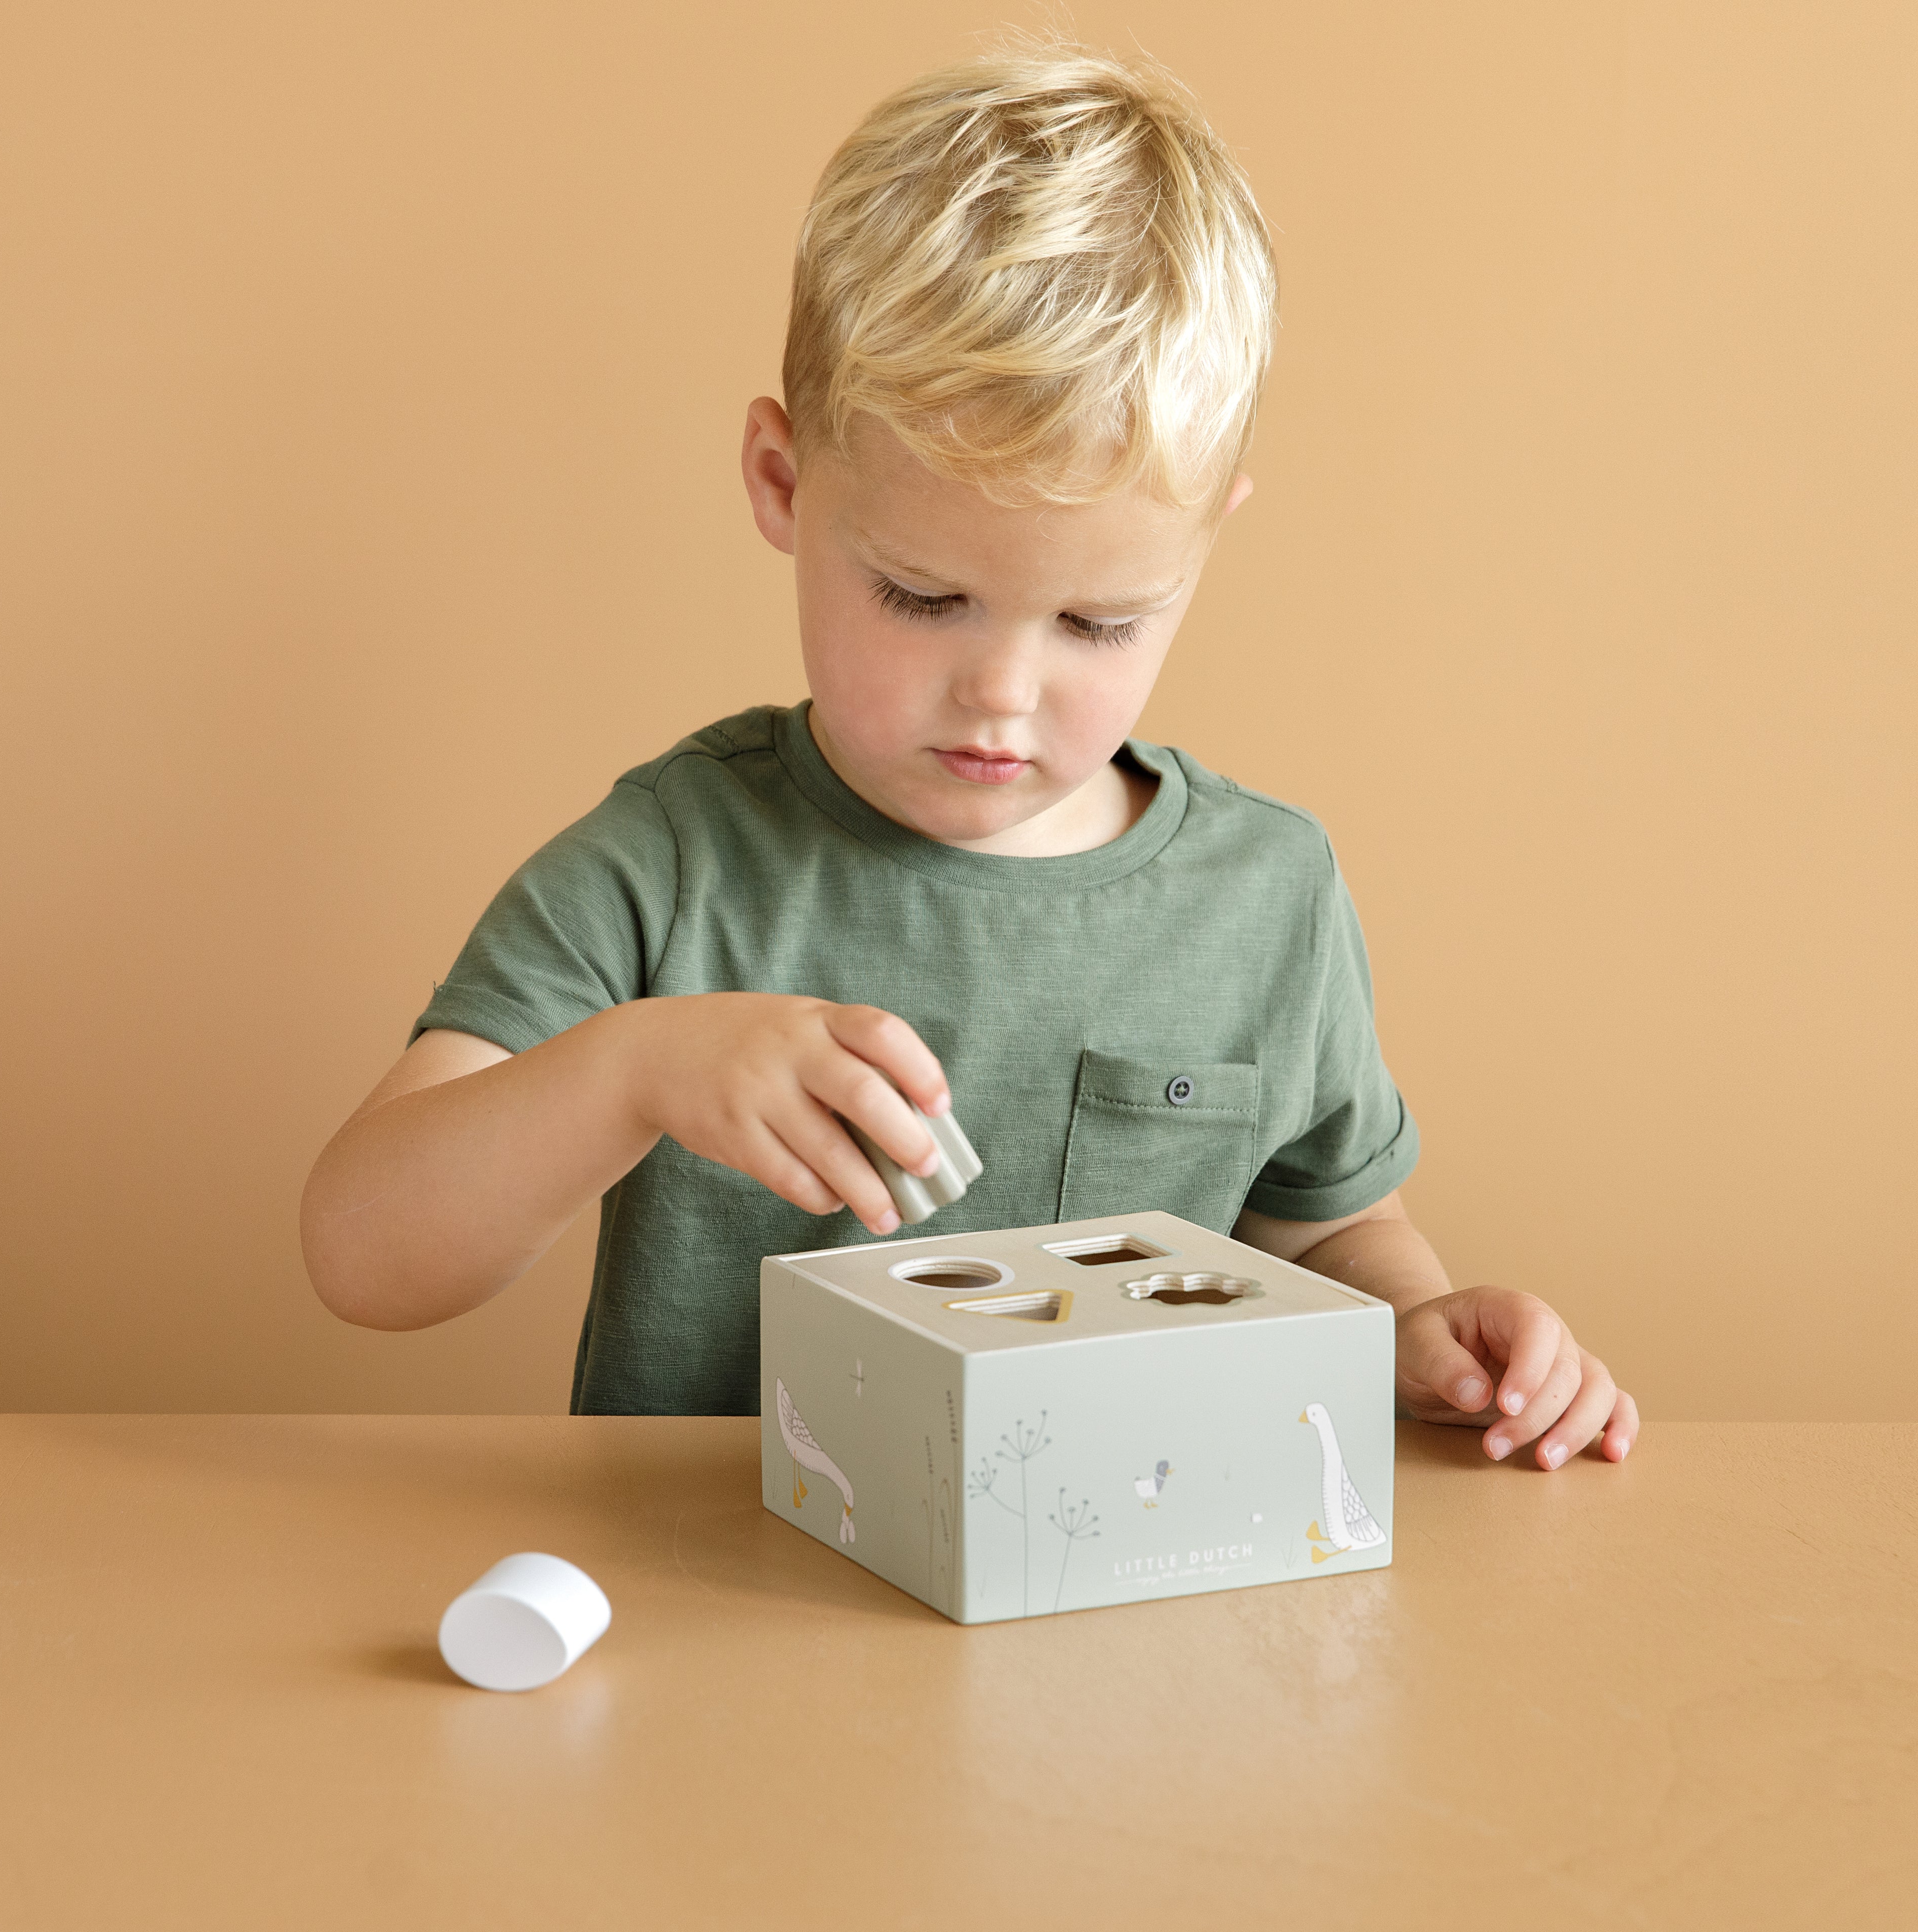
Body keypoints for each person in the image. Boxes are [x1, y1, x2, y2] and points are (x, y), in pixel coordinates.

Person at [300, 33, 1636, 1470]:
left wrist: (1415, 1329)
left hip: (1115, 1574)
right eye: (922, 599)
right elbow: (364, 1255)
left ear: (1204, 549)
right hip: (717, 1586)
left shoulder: (1269, 894)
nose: (1002, 693)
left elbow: (1324, 1228)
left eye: (1099, 622)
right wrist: (631, 1073)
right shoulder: (676, 863)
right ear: (782, 483)